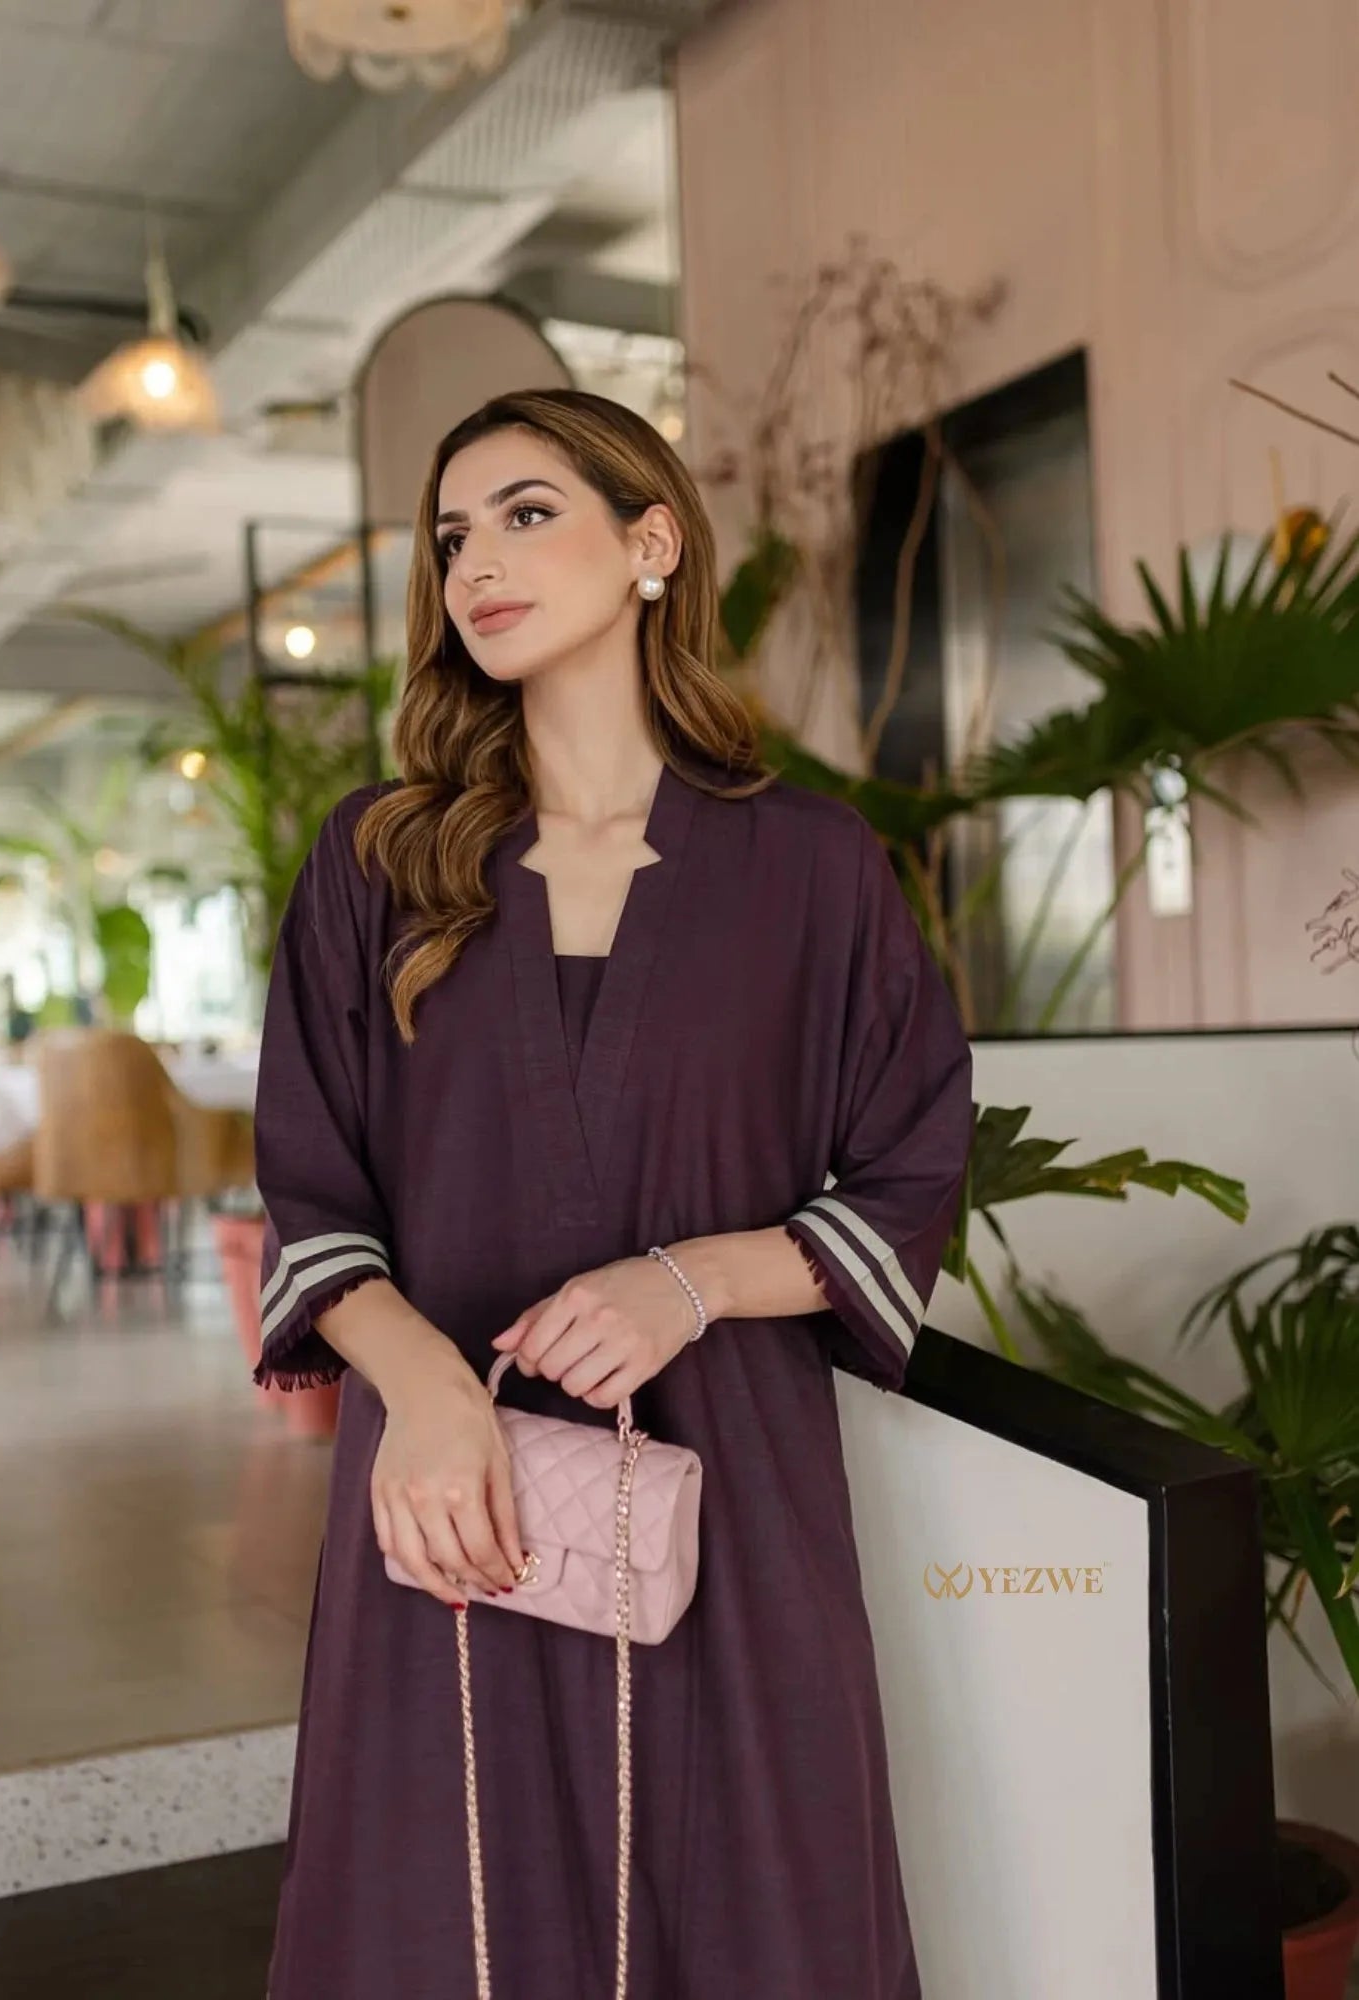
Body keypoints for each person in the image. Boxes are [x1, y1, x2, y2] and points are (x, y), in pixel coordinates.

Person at [252, 387, 973, 1998]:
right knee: (449, 1913)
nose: (475, 565)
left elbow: (915, 1164)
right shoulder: (377, 862)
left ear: (650, 542)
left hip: (735, 1486)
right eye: (450, 537)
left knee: (751, 1896)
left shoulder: (811, 867)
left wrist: (691, 1281)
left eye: (524, 514)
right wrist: (428, 1389)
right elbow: (308, 1183)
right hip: (456, 1505)